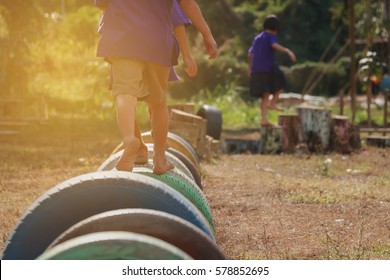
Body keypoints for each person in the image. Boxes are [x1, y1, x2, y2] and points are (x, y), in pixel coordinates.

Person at [95, 0, 217, 174]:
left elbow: (103, 5)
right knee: (158, 103)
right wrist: (207, 34)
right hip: (157, 41)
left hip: (122, 40)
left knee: (124, 94)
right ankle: (160, 159)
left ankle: (130, 139)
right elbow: (188, 4)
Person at [248, 14, 296, 126]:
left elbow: (250, 54)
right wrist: (287, 51)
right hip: (267, 67)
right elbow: (274, 45)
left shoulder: (257, 37)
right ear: (276, 28)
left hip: (256, 69)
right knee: (282, 81)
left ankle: (263, 119)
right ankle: (273, 103)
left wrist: (249, 68)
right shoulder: (270, 36)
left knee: (265, 94)